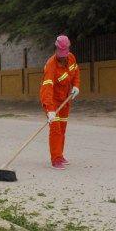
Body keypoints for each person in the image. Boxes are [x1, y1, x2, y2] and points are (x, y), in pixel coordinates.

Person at [40, 35, 80, 170]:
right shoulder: (51, 65)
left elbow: (76, 72)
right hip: (51, 101)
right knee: (55, 129)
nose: (63, 57)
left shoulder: (71, 58)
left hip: (65, 99)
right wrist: (50, 109)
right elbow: (47, 88)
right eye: (60, 53)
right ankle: (55, 159)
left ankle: (60, 155)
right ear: (56, 49)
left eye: (65, 53)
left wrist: (76, 86)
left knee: (62, 128)